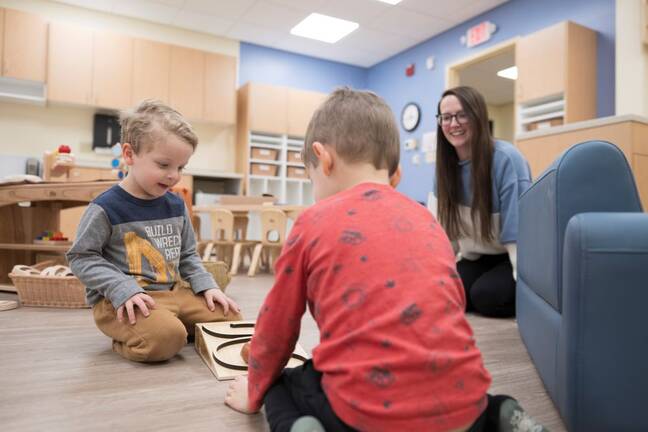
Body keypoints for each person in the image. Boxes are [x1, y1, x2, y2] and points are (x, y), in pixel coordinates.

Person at [223, 88, 545, 432]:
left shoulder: (310, 223)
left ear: (323, 158)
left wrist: (254, 392)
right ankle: (496, 414)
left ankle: (302, 426)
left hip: (365, 413)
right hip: (465, 402)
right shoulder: (426, 221)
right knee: (471, 401)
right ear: (396, 176)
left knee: (282, 384)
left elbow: (277, 331)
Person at [67, 100, 242, 362]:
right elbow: (81, 257)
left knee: (231, 318)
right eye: (163, 165)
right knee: (165, 340)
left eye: (181, 167)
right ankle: (148, 336)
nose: (174, 176)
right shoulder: (105, 207)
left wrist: (208, 287)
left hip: (174, 294)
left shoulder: (175, 204)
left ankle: (172, 328)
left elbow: (188, 256)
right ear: (129, 155)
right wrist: (121, 287)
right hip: (123, 302)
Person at [430, 86, 532, 318]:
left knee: (486, 296)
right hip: (477, 257)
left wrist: (527, 285)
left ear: (477, 116)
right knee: (443, 292)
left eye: (462, 114)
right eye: (446, 117)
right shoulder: (444, 169)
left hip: (512, 256)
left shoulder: (506, 159)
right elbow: (444, 236)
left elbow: (519, 232)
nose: (453, 123)